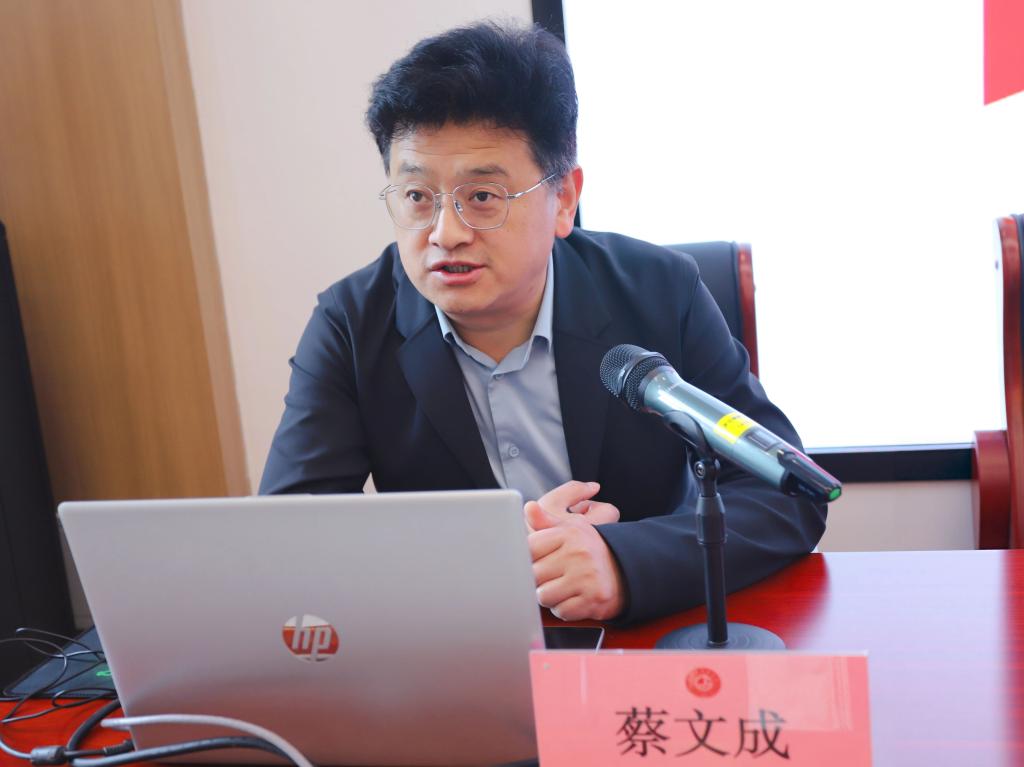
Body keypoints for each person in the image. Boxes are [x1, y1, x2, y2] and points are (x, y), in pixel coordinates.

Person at [259, 20, 826, 625]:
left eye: (482, 197)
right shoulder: (350, 325)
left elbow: (788, 491)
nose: (445, 233)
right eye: (418, 197)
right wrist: (510, 556)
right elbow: (291, 544)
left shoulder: (661, 292)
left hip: (642, 638)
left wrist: (623, 561)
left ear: (564, 199)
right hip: (460, 647)